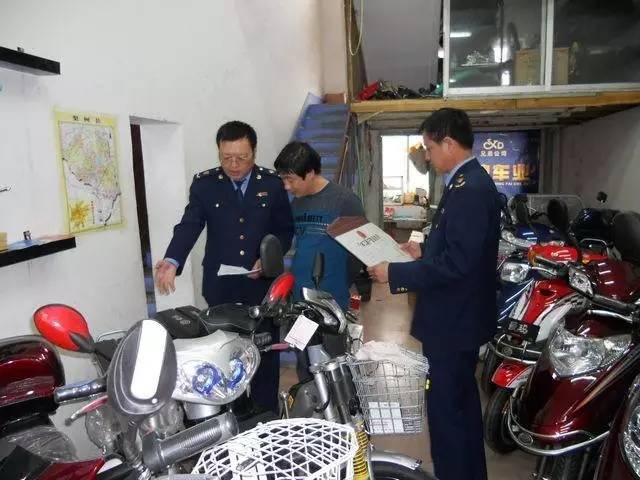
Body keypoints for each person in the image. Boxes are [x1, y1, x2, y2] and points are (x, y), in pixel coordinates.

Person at [368, 108, 500, 480]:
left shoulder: (469, 189)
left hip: (452, 323)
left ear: (449, 143)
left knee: (447, 414)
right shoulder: (464, 183)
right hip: (457, 319)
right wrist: (422, 251)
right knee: (461, 408)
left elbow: (457, 265)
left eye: (428, 147)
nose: (426, 156)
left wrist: (393, 272)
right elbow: (460, 250)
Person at [155, 120, 293, 412]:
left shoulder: (271, 184)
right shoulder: (205, 185)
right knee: (224, 350)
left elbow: (285, 230)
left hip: (263, 284)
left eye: (241, 157)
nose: (233, 165)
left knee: (265, 349)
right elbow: (190, 224)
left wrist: (269, 257)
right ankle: (232, 412)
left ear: (254, 152)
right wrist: (172, 260)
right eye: (226, 157)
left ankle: (266, 412)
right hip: (221, 286)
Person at [274, 141, 365, 310]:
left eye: (290, 180)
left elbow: (359, 254)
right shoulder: (297, 203)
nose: (286, 186)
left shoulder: (345, 201)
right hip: (299, 295)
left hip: (332, 298)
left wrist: (340, 283)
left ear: (310, 173)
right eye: (283, 179)